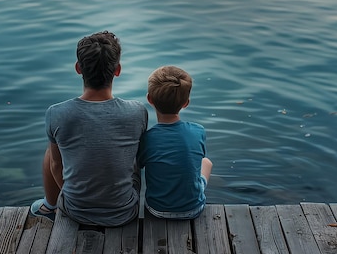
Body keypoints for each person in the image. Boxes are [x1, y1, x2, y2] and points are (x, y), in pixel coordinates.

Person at [30, 31, 148, 227]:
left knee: (51, 153)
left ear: (78, 68)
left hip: (75, 211)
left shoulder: (56, 113)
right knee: (134, 155)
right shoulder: (137, 111)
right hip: (125, 212)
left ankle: (50, 205)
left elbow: (56, 166)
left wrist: (68, 195)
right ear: (117, 70)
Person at [138, 65, 212, 219]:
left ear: (149, 99)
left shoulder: (147, 138)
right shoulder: (198, 131)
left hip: (156, 210)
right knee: (206, 162)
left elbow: (138, 165)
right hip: (193, 209)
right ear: (186, 102)